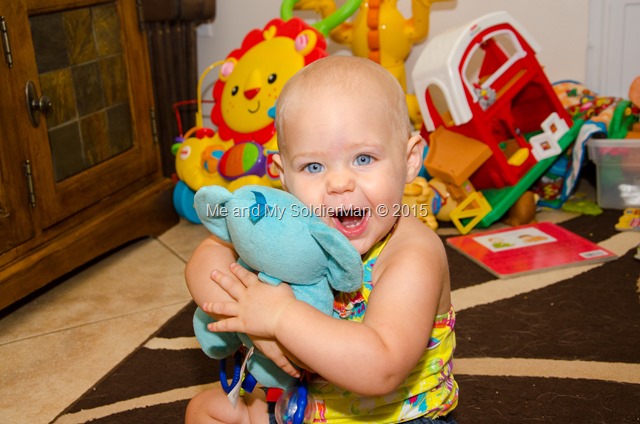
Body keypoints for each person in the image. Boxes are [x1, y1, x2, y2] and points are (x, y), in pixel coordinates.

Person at [185, 55, 458, 424]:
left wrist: (280, 317)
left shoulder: (412, 253)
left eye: (364, 158)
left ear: (409, 160)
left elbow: (382, 367)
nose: (339, 183)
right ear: (283, 175)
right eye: (313, 166)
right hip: (303, 407)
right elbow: (205, 259)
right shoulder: (296, 225)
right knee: (206, 411)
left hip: (399, 418)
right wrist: (250, 314)